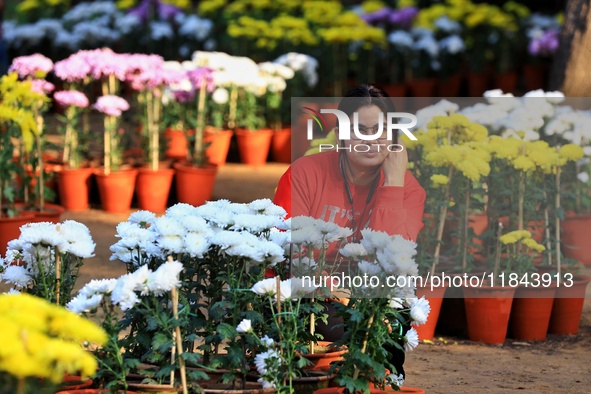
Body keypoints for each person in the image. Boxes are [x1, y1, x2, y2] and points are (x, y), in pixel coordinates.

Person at [273, 83, 426, 378]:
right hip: (309, 292)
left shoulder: (408, 189)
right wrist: (332, 290)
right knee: (342, 321)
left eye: (380, 130)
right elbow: (286, 250)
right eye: (360, 130)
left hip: (370, 295)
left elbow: (394, 260)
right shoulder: (305, 173)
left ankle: (384, 375)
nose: (370, 140)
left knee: (396, 298)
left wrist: (393, 185)